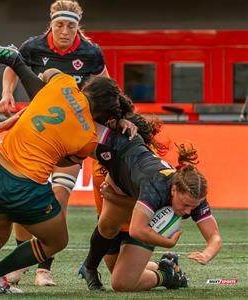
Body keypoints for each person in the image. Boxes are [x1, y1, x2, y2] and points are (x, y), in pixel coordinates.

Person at [0, 44, 126, 294]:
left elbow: (47, 73)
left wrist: (31, 78)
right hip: (25, 185)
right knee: (58, 240)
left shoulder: (63, 83)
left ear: (88, 88)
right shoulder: (88, 137)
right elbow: (63, 162)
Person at [0, 0, 109, 286]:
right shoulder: (33, 46)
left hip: (70, 135)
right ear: (51, 23)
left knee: (59, 195)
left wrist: (114, 117)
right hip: (36, 132)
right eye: (59, 24)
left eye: (70, 25)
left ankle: (43, 269)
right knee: (23, 198)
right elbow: (13, 66)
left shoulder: (91, 52)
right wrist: (6, 92)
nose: (64, 30)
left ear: (77, 26)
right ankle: (21, 263)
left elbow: (105, 86)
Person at [78, 109, 222, 292]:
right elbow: (137, 229)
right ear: (174, 189)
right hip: (120, 182)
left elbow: (214, 236)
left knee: (122, 283)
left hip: (138, 193)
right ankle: (166, 269)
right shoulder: (154, 186)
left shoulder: (194, 194)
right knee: (107, 229)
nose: (187, 212)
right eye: (185, 205)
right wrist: (167, 243)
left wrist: (207, 254)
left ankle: (167, 275)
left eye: (191, 207)